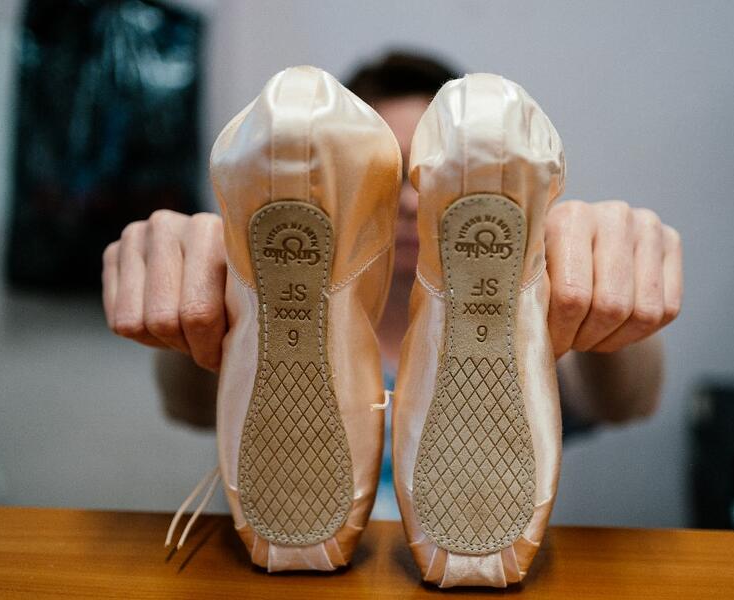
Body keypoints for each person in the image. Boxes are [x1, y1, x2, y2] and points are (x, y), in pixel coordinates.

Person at [101, 50, 682, 516]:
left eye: (434, 178)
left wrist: (609, 296)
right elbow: (190, 406)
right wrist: (202, 292)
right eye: (385, 178)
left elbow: (626, 400)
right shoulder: (257, 286)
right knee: (254, 340)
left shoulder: (535, 299)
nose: (408, 203)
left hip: (412, 533)